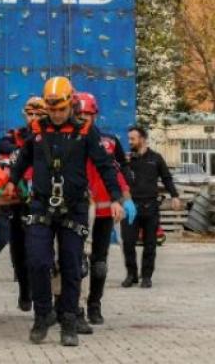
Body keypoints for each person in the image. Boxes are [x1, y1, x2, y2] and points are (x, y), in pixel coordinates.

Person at [7, 77, 124, 347]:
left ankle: (69, 320)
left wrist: (116, 197)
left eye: (61, 109)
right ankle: (42, 314)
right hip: (41, 204)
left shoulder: (85, 131)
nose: (57, 114)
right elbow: (23, 158)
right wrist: (12, 180)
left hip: (74, 207)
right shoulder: (37, 129)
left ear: (70, 104)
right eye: (52, 109)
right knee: (37, 261)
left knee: (72, 266)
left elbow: (105, 165)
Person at [74, 92, 136, 325]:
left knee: (99, 265)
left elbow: (115, 171)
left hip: (103, 213)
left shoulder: (107, 144)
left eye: (87, 115)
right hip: (77, 212)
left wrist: (122, 198)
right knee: (76, 264)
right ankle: (74, 308)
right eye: (78, 115)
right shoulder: (68, 141)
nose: (83, 119)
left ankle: (94, 305)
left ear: (95, 115)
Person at [0, 96, 46, 312]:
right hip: (19, 199)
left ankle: (45, 295)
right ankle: (25, 289)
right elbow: (0, 144)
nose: (33, 118)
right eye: (30, 114)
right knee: (18, 249)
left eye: (38, 114)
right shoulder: (17, 135)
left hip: (43, 200)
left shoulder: (50, 135)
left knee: (40, 251)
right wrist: (18, 150)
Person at [121, 126, 181, 289]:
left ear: (142, 139)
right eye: (129, 139)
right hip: (130, 207)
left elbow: (167, 178)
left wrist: (174, 196)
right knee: (128, 243)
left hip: (150, 207)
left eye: (132, 139)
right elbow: (118, 178)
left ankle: (146, 276)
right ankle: (131, 275)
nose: (130, 142)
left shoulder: (156, 158)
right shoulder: (127, 160)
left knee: (150, 243)